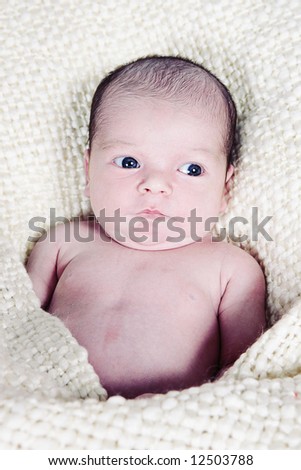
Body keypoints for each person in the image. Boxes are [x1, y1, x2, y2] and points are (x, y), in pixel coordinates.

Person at [26, 56, 266, 398]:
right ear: (88, 171)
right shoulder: (64, 244)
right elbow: (15, 322)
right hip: (50, 407)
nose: (155, 183)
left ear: (226, 188)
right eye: (128, 162)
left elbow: (247, 370)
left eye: (191, 169)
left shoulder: (232, 270)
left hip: (168, 424)